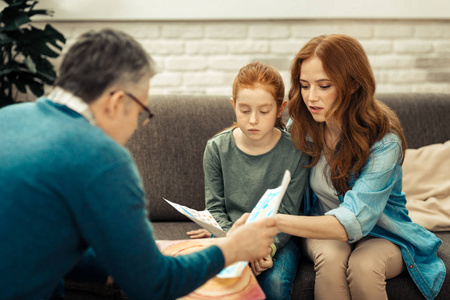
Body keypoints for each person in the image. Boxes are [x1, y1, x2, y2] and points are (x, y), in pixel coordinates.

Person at [0, 29, 279, 300]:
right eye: (140, 113)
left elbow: (44, 246)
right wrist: (233, 248)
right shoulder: (102, 158)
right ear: (118, 101)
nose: (136, 127)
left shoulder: (8, 117)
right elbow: (153, 285)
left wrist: (125, 260)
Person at [275, 34, 445, 300]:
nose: (311, 97)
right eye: (305, 85)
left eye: (324, 85)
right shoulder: (300, 128)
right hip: (322, 230)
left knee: (364, 266)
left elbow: (353, 222)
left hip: (382, 233)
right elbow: (272, 180)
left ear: (353, 85)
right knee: (331, 258)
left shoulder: (384, 141)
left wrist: (274, 222)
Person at [187, 62, 310, 299]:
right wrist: (234, 241)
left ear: (280, 109)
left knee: (273, 283)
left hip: (277, 239)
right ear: (233, 106)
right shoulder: (217, 148)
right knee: (217, 279)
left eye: (263, 112)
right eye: (244, 110)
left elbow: (288, 211)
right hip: (231, 234)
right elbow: (215, 209)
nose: (253, 120)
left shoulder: (296, 151)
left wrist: (266, 248)